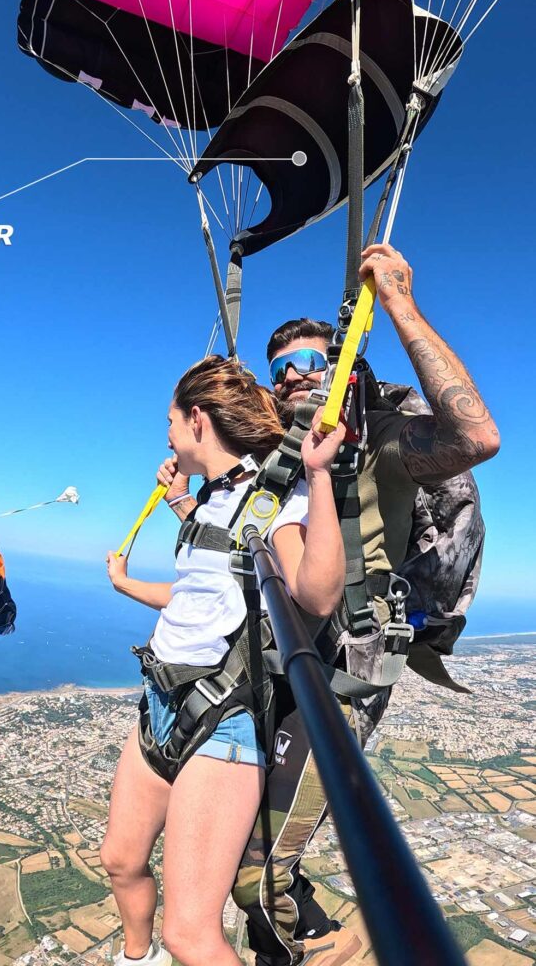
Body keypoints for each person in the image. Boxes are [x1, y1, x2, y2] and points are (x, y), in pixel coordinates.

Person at [161, 243, 500, 965]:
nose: (296, 377)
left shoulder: (381, 441)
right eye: (281, 368)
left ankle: (322, 947)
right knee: (228, 850)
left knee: (255, 877)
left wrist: (399, 304)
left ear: (346, 362)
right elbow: (248, 532)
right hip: (270, 665)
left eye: (315, 360)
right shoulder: (281, 456)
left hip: (339, 669)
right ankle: (299, 934)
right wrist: (186, 503)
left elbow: (475, 436)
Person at [103, 355, 347, 966]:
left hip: (221, 724)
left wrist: (317, 479)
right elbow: (201, 591)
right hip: (159, 706)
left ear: (196, 419)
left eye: (170, 421)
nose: (165, 434)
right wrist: (132, 583)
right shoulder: (211, 498)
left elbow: (315, 594)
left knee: (190, 933)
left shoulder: (273, 502)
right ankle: (137, 961)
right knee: (121, 861)